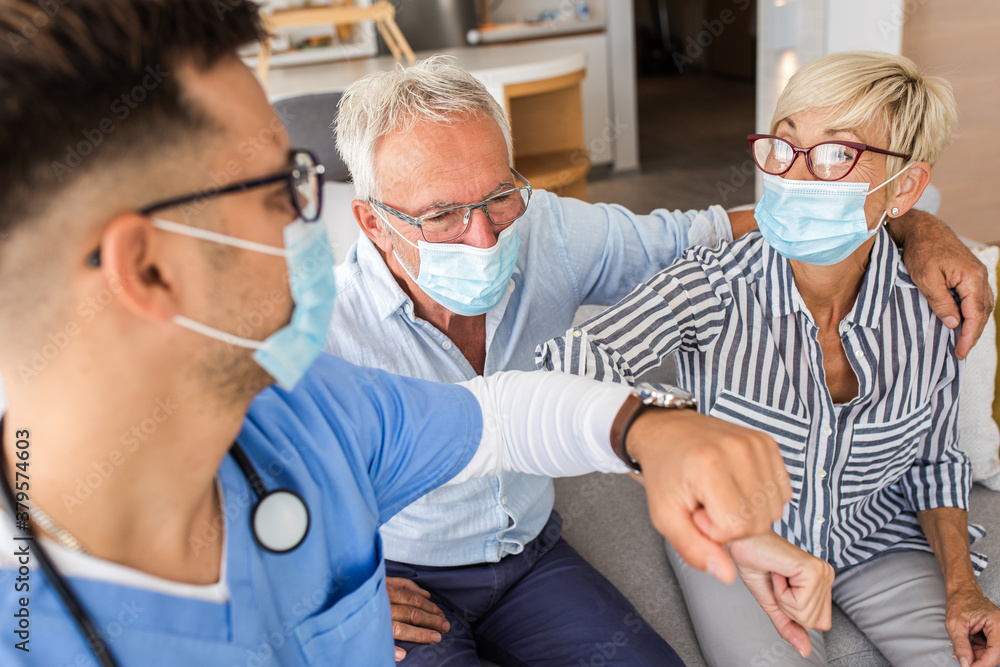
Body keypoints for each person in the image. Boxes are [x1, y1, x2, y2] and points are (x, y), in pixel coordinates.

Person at [0, 1, 825, 665]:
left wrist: (656, 428)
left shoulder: (298, 410)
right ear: (148, 272)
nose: (307, 221)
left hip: (527, 554)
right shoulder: (30, 627)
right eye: (279, 189)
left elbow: (497, 414)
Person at [325, 56, 995, 664]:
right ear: (374, 221)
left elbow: (686, 235)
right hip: (399, 575)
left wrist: (910, 224)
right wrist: (324, 592)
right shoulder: (314, 330)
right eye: (443, 214)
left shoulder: (549, 229)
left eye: (499, 196)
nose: (484, 236)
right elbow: (237, 499)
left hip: (530, 551)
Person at [540, 51, 1000, 667]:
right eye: (785, 147)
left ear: (906, 188)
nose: (796, 176)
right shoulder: (710, 284)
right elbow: (565, 370)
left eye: (839, 154)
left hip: (877, 539)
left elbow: (934, 458)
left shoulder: (928, 304)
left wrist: (962, 587)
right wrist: (659, 439)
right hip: (736, 536)